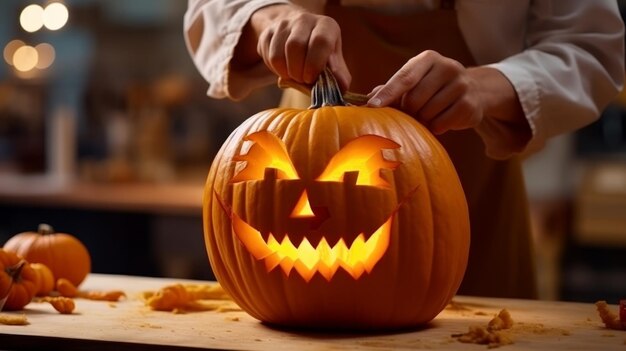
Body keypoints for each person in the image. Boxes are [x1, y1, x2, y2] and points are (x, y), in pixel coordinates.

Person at [183, 0, 625, 299]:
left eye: (355, 175)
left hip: (470, 182)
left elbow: (593, 47)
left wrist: (481, 87)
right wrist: (268, 16)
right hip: (304, 137)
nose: (308, 211)